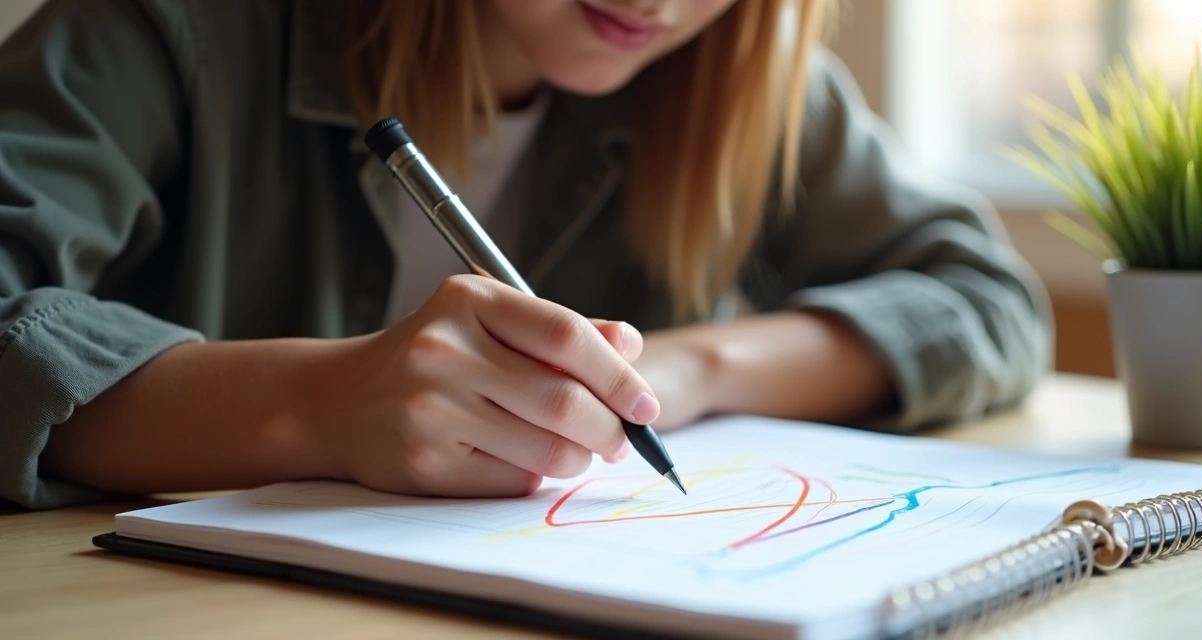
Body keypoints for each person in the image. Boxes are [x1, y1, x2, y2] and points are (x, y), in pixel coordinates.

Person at [0, 0, 1052, 511]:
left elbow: (986, 295)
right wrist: (320, 405)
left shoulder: (742, 83)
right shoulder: (178, 27)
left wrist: (678, 374)